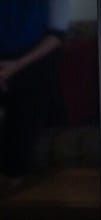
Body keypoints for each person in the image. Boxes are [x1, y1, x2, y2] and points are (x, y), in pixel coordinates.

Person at [0, 0, 69, 191]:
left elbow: (56, 36)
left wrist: (16, 66)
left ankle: (13, 175)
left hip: (34, 59)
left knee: (29, 91)